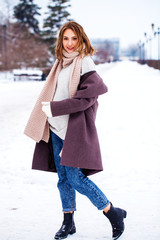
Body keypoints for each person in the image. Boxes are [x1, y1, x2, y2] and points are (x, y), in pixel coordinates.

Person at [24, 21, 127, 240]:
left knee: (76, 178)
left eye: (74, 38)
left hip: (72, 131)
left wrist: (54, 107)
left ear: (81, 40)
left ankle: (112, 212)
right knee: (62, 179)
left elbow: (86, 100)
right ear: (60, 40)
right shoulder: (60, 63)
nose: (70, 44)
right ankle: (68, 222)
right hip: (55, 129)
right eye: (65, 38)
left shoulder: (85, 63)